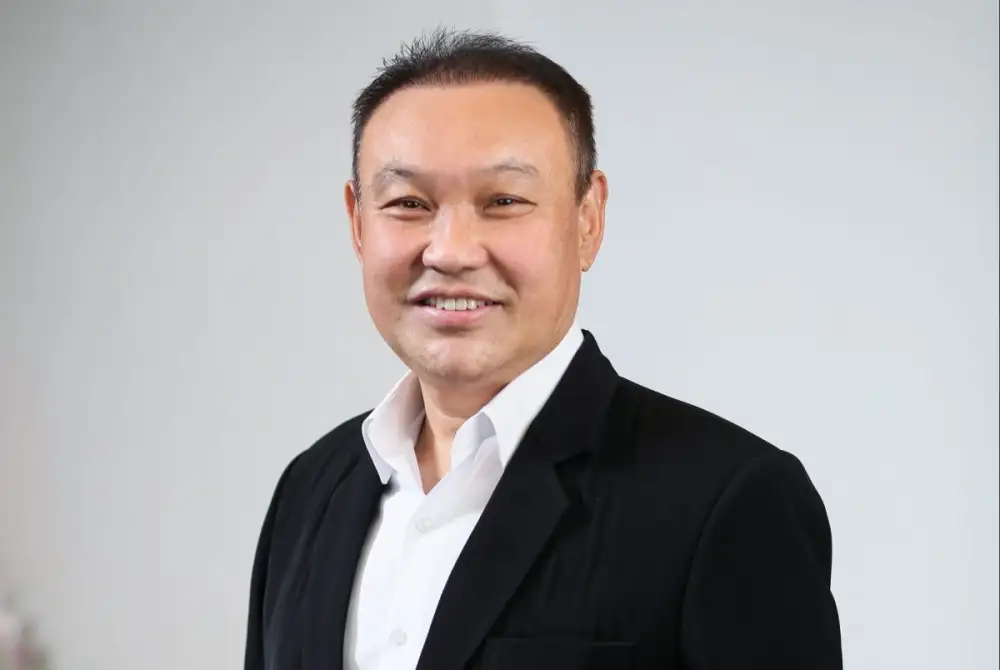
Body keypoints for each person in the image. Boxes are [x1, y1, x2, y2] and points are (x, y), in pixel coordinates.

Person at [244, 28, 842, 670]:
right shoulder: (309, 490)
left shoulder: (728, 499)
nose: (450, 251)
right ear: (358, 223)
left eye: (503, 201)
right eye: (409, 203)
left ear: (588, 219)